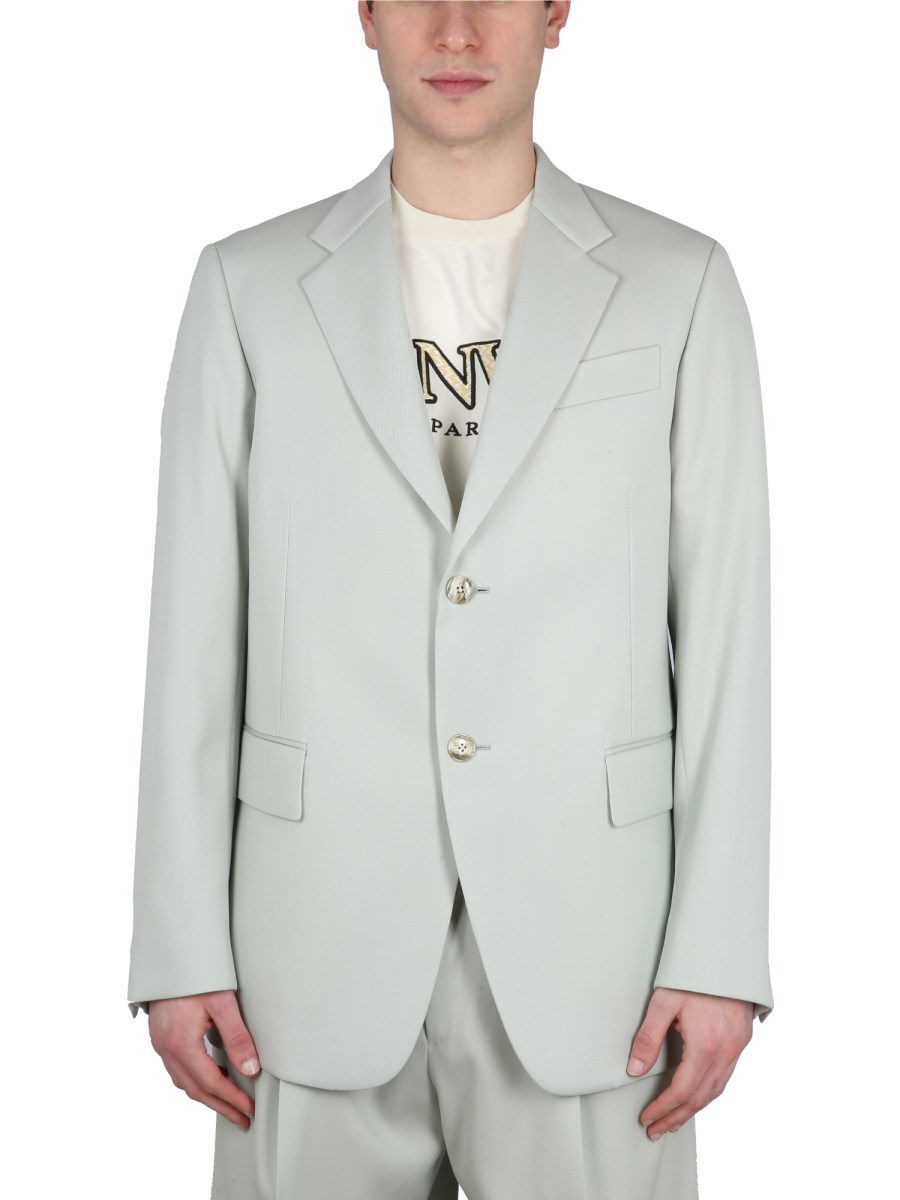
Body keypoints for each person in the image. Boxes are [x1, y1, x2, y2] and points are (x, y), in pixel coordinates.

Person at [127, 3, 774, 1196]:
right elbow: (194, 633)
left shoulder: (678, 285)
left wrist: (721, 951)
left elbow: (731, 632)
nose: (459, 27)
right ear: (365, 15)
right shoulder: (248, 289)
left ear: (557, 11)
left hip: (600, 958)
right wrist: (178, 945)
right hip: (304, 946)